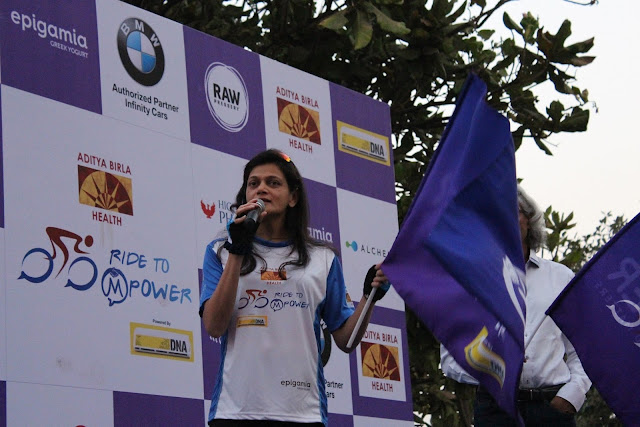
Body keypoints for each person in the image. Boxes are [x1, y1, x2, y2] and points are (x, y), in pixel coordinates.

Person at [199, 149, 390, 426]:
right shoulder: (221, 251)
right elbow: (214, 327)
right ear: (245, 196)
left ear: (293, 198)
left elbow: (346, 341)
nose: (261, 189)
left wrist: (369, 297)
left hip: (302, 415)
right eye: (254, 183)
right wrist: (238, 248)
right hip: (235, 412)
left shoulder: (323, 259)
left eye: (273, 183)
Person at [440, 185, 591, 426]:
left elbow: (583, 346)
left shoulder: (560, 277)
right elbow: (450, 356)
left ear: (529, 219)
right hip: (495, 409)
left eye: (516, 210)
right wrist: (494, 374)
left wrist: (572, 395)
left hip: (553, 408)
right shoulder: (470, 281)